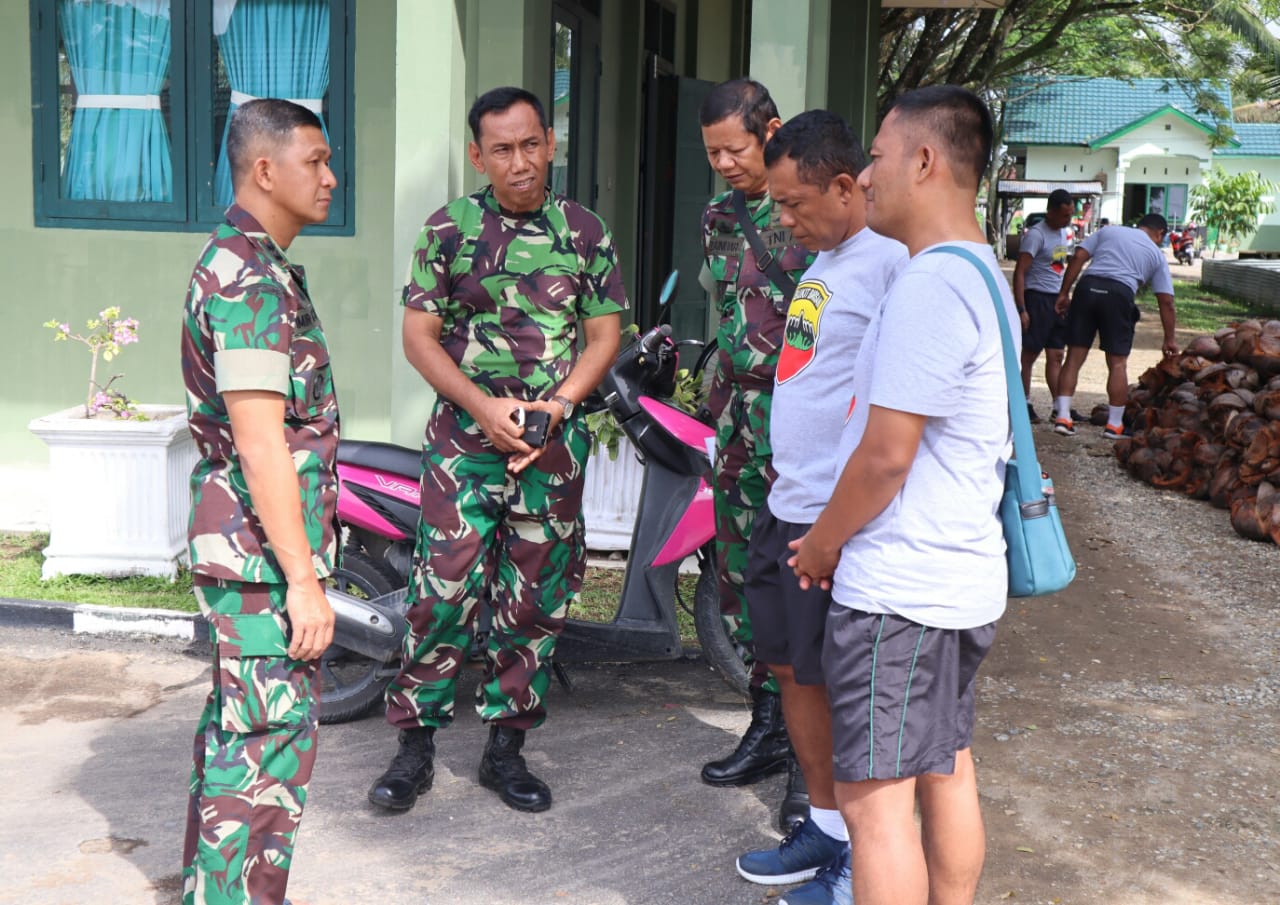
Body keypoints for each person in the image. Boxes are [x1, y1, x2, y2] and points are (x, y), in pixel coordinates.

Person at [367, 86, 626, 815]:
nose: (520, 162)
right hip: (464, 446)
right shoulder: (447, 229)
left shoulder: (583, 232)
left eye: (531, 144)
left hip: (548, 451)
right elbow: (419, 338)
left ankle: (506, 748)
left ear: (550, 142)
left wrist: (560, 405)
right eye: (502, 150)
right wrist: (484, 407)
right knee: (440, 594)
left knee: (534, 603)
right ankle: (413, 747)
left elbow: (603, 333)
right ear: (479, 156)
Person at [790, 85, 1015, 905]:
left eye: (877, 156)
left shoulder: (929, 287)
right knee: (944, 767)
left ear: (924, 160)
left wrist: (821, 543)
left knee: (875, 804)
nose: (866, 172)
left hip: (901, 591)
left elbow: (887, 456)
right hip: (951, 581)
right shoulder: (980, 274)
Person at [733, 111, 907, 905]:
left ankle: (860, 861)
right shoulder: (829, 255)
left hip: (830, 514)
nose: (783, 219)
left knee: (836, 683)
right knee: (787, 667)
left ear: (845, 185)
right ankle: (828, 829)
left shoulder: (890, 264)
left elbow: (890, 410)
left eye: (795, 202)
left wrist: (840, 520)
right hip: (786, 497)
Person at [180, 98, 340, 905]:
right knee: (265, 751)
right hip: (259, 557)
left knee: (239, 733)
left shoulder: (255, 263)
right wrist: (303, 581)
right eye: (315, 161)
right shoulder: (246, 276)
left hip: (247, 547)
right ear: (265, 169)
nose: (330, 177)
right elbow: (260, 439)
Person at [697, 78, 815, 820]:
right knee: (741, 574)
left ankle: (813, 760)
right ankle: (769, 720)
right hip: (738, 413)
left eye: (734, 149)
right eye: (712, 153)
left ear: (769, 130)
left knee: (797, 576)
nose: (725, 164)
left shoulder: (813, 210)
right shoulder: (720, 216)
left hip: (797, 415)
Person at [1050, 212, 1177, 439]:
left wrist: (1063, 293)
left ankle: (1062, 417)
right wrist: (1169, 338)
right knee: (1117, 364)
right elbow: (1166, 301)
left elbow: (1079, 256)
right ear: (1160, 234)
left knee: (1073, 357)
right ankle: (1114, 425)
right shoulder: (1156, 255)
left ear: (1139, 225)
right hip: (1119, 293)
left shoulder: (1109, 231)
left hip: (1087, 288)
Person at [1014, 189, 1073, 423]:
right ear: (1051, 212)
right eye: (1064, 215)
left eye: (1070, 215)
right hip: (1037, 297)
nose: (1067, 220)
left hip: (1056, 299)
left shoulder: (1063, 234)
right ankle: (1024, 403)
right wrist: (1022, 309)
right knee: (1029, 355)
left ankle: (1059, 406)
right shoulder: (1036, 235)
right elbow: (1020, 272)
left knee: (1057, 354)